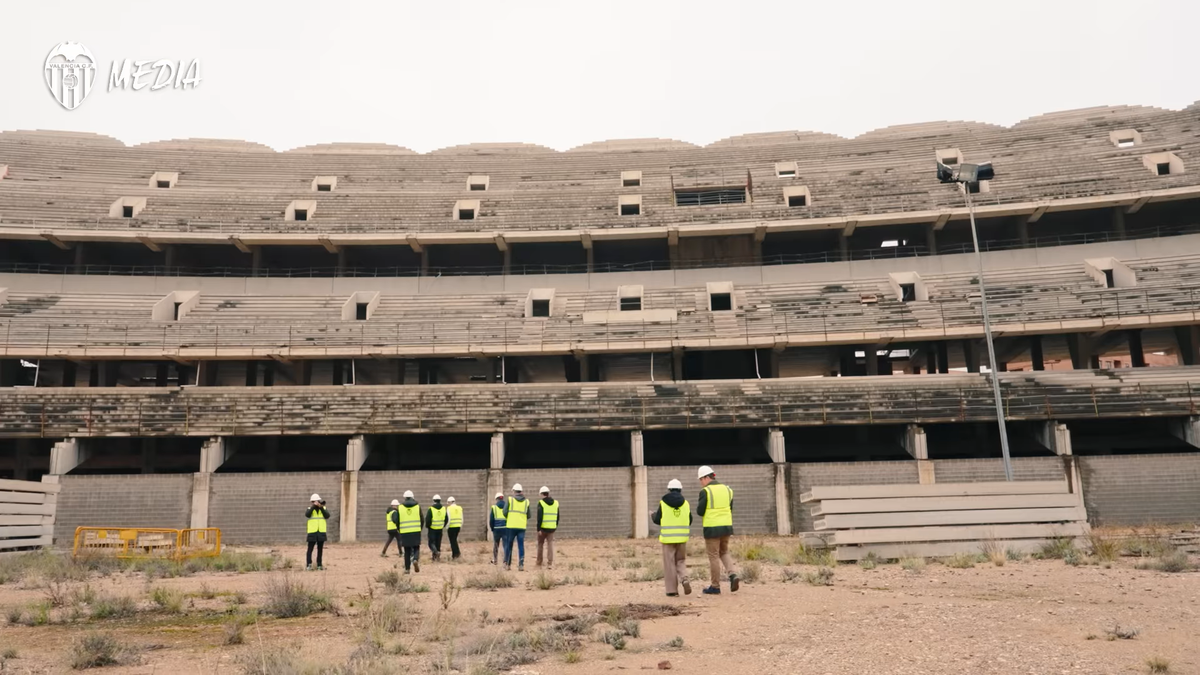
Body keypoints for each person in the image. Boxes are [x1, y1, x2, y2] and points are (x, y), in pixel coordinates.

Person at [696, 465, 739, 595]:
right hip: (726, 526)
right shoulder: (728, 489)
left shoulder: (705, 492)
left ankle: (715, 586)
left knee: (713, 556)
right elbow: (730, 508)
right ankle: (732, 574)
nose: (700, 483)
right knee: (724, 552)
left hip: (712, 527)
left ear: (705, 478)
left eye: (700, 480)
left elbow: (700, 511)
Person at [651, 478, 693, 597]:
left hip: (668, 539)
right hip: (682, 538)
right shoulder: (686, 503)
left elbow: (658, 519)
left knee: (669, 564)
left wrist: (652, 515)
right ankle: (684, 578)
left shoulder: (663, 503)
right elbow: (690, 520)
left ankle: (672, 591)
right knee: (680, 561)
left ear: (669, 489)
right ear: (680, 489)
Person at [503, 483, 530, 571]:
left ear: (514, 491)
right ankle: (521, 564)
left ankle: (508, 564)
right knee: (521, 545)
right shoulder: (526, 502)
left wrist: (509, 517)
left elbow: (504, 512)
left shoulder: (510, 500)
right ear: (521, 491)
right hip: (521, 527)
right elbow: (529, 515)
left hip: (511, 526)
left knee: (509, 545)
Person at [397, 490, 422, 574]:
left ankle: (407, 569)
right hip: (416, 530)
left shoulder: (400, 507)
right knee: (416, 547)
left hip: (404, 531)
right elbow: (422, 519)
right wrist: (419, 528)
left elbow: (397, 520)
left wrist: (399, 529)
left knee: (407, 550)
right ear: (412, 497)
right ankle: (415, 559)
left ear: (404, 497)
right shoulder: (417, 506)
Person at [535, 486, 559, 570]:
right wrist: (555, 526)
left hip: (543, 528)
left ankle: (539, 563)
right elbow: (558, 516)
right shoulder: (556, 503)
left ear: (542, 494)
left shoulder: (541, 503)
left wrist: (538, 529)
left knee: (540, 545)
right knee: (550, 545)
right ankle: (550, 563)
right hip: (552, 528)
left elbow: (539, 517)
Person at [305, 493, 330, 571]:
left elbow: (327, 516)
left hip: (321, 531)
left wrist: (321, 507)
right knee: (310, 549)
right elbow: (307, 515)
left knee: (320, 549)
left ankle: (319, 565)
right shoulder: (310, 508)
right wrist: (313, 507)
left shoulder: (323, 508)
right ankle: (309, 565)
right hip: (312, 531)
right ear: (312, 502)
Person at [426, 494, 448, 561]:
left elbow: (428, 519)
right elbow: (446, 519)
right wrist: (442, 525)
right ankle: (436, 558)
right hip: (440, 529)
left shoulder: (431, 509)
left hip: (432, 529)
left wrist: (428, 526)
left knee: (431, 543)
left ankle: (435, 552)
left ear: (433, 500)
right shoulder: (444, 509)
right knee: (438, 543)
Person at [489, 492, 507, 564]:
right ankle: (505, 560)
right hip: (505, 528)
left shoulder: (494, 508)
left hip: (496, 529)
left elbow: (491, 520)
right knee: (505, 545)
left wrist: (492, 528)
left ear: (497, 499)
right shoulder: (507, 507)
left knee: (496, 545)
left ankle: (495, 560)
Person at [446, 496, 463, 560]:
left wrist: (447, 526)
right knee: (454, 540)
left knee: (452, 541)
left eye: (448, 502)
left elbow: (449, 519)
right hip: (458, 526)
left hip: (451, 527)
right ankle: (456, 553)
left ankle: (456, 554)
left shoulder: (449, 508)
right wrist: (460, 525)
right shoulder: (459, 508)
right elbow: (462, 518)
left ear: (450, 502)